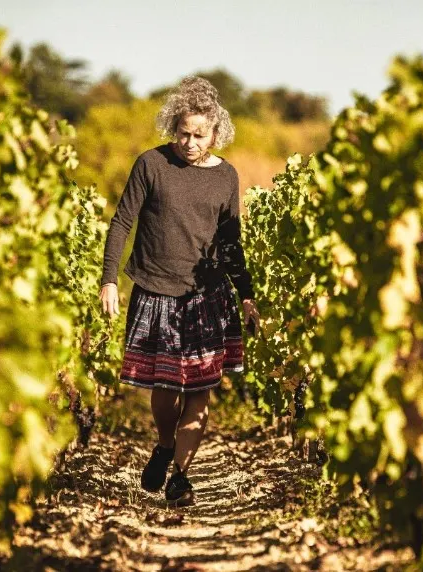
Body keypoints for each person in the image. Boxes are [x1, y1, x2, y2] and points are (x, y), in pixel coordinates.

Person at [98, 76, 260, 507]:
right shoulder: (150, 164)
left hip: (206, 296)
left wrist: (246, 294)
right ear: (173, 127)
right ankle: (166, 444)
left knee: (201, 389)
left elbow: (230, 242)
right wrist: (109, 279)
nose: (189, 142)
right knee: (165, 390)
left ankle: (181, 478)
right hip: (155, 291)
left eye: (199, 135)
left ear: (215, 133)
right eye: (183, 133)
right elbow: (121, 223)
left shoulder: (226, 176)